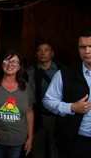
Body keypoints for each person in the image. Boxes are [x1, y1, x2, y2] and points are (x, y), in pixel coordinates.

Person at [43, 29, 91, 158]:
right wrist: (72, 107)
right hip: (78, 142)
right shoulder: (65, 74)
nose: (87, 51)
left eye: (90, 46)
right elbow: (47, 101)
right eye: (82, 47)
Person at [0, 50, 35, 158]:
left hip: (18, 139)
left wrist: (30, 137)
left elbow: (29, 112)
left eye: (14, 61)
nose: (10, 64)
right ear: (2, 64)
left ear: (20, 66)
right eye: (7, 60)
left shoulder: (26, 86)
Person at [26, 41, 59, 158]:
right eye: (40, 50)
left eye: (46, 50)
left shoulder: (61, 71)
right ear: (36, 54)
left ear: (52, 53)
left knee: (56, 147)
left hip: (57, 116)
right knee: (37, 148)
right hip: (37, 116)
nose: (42, 53)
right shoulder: (29, 72)